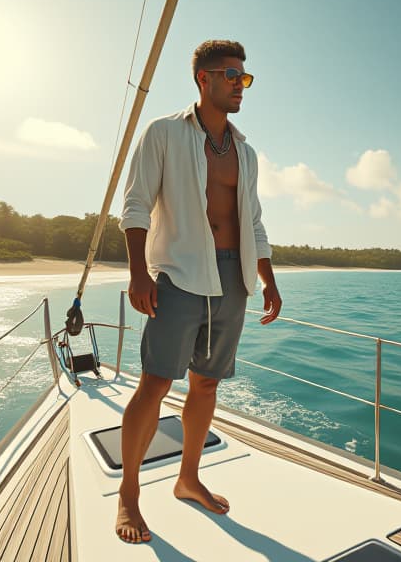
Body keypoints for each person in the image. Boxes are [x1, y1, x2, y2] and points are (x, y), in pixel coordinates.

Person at [115, 39, 282, 544]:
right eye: (232, 76)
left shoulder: (245, 151)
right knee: (156, 384)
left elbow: (251, 218)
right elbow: (137, 203)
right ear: (203, 79)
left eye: (244, 78)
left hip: (233, 277)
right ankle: (128, 494)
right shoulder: (165, 133)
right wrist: (139, 273)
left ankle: (188, 479)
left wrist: (268, 276)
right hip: (180, 273)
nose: (240, 86)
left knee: (206, 383)